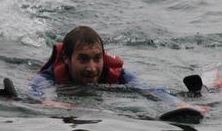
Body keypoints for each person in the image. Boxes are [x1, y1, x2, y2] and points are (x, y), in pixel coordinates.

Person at [29, 26, 207, 112]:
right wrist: (47, 102)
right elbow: (36, 90)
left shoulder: (118, 75)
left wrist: (179, 104)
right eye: (83, 59)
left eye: (97, 58)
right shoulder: (49, 76)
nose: (92, 68)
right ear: (67, 59)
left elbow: (149, 89)